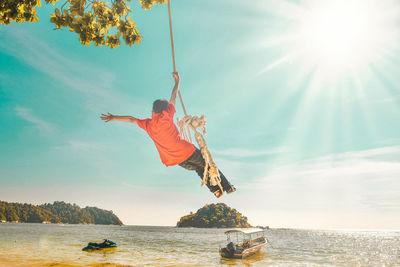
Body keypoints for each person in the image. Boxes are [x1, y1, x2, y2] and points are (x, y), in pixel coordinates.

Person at [100, 72, 236, 198]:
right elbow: (174, 97)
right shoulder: (166, 115)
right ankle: (227, 187)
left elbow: (131, 119)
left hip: (178, 162)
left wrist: (114, 117)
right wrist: (178, 82)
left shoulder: (148, 124)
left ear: (153, 110)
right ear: (165, 109)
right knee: (208, 164)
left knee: (200, 170)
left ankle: (216, 190)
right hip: (187, 151)